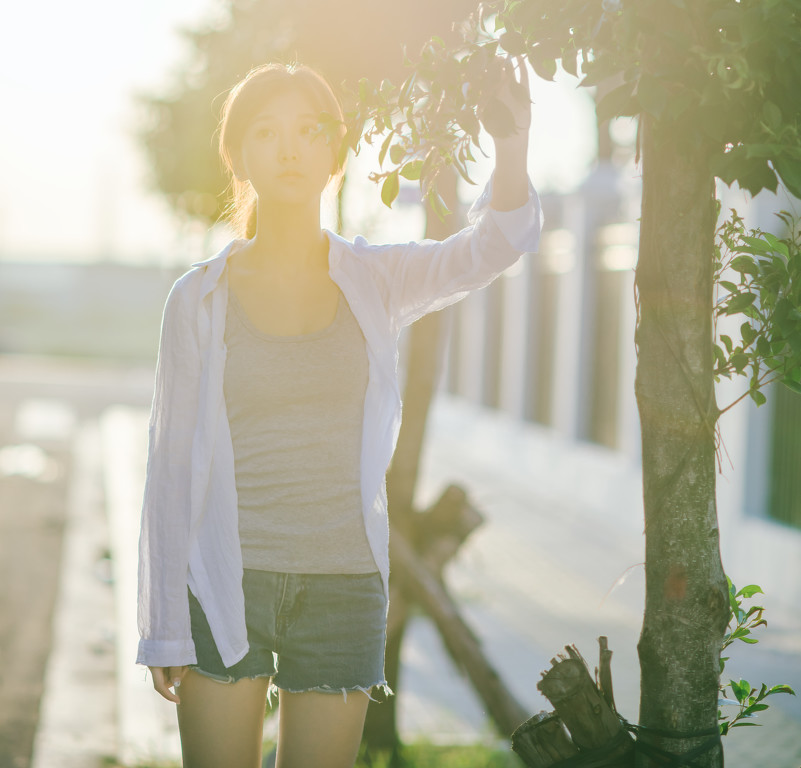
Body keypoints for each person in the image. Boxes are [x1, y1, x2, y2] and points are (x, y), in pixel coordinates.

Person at [136, 58, 542, 768]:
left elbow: (493, 244)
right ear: (239, 156)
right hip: (228, 582)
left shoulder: (374, 278)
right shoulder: (197, 299)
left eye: (306, 131)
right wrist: (164, 627)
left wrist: (512, 144)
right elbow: (169, 465)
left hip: (343, 586)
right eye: (266, 132)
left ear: (334, 149)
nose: (288, 148)